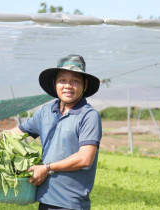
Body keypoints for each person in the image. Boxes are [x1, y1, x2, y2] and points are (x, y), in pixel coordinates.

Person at [10, 54, 102, 210]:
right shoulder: (46, 111)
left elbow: (85, 158)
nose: (68, 86)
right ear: (54, 84)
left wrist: (46, 168)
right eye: (62, 80)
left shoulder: (88, 116)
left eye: (75, 81)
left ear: (85, 85)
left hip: (70, 203)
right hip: (44, 197)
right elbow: (14, 134)